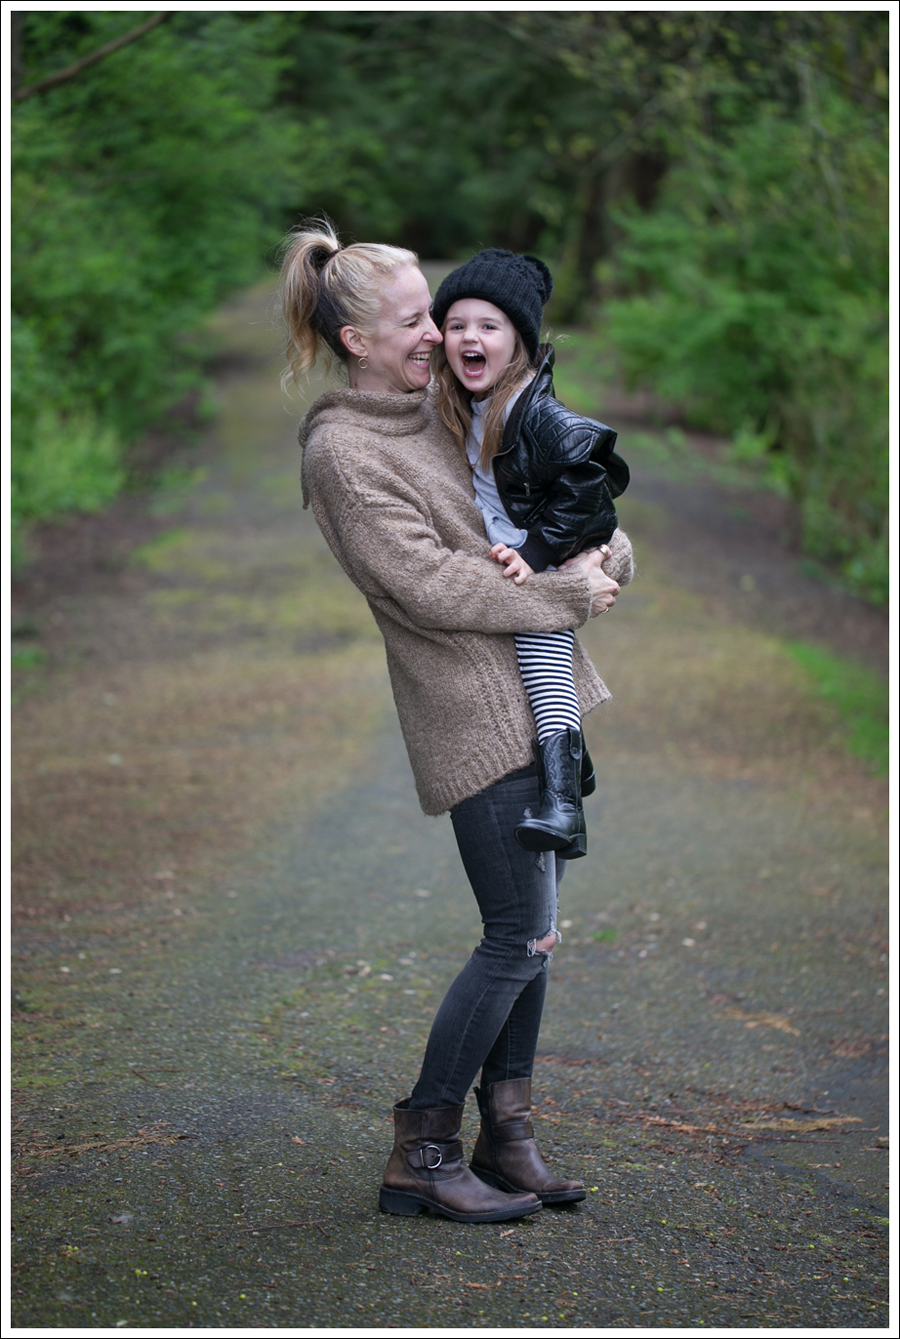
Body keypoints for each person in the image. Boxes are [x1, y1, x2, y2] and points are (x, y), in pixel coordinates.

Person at [281, 220, 634, 1224]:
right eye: (412, 322)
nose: (437, 333)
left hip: (544, 703)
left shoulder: (448, 406)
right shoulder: (346, 453)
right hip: (472, 717)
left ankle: (505, 1135)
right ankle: (423, 1150)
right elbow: (429, 584)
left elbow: (549, 504)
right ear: (356, 341)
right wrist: (566, 595)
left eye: (432, 313)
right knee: (516, 933)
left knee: (538, 934)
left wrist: (602, 556)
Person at [431, 249, 630, 859]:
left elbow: (589, 482)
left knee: (542, 658)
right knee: (531, 654)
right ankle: (576, 762)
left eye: (488, 326)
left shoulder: (535, 411)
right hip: (520, 542)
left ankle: (564, 808)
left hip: (551, 545)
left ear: (518, 341)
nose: (470, 337)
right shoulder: (469, 403)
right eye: (457, 325)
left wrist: (541, 552)